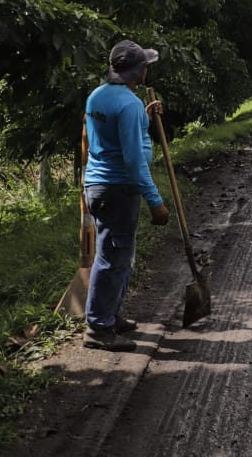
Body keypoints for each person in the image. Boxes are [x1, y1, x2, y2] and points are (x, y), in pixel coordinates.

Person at [82, 40, 171, 351]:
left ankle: (110, 315)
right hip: (118, 189)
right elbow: (133, 161)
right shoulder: (127, 103)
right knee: (112, 260)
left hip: (98, 186)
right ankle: (98, 328)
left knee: (117, 256)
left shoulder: (99, 96)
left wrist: (144, 117)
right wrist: (155, 200)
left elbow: (110, 137)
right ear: (140, 71)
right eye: (145, 65)